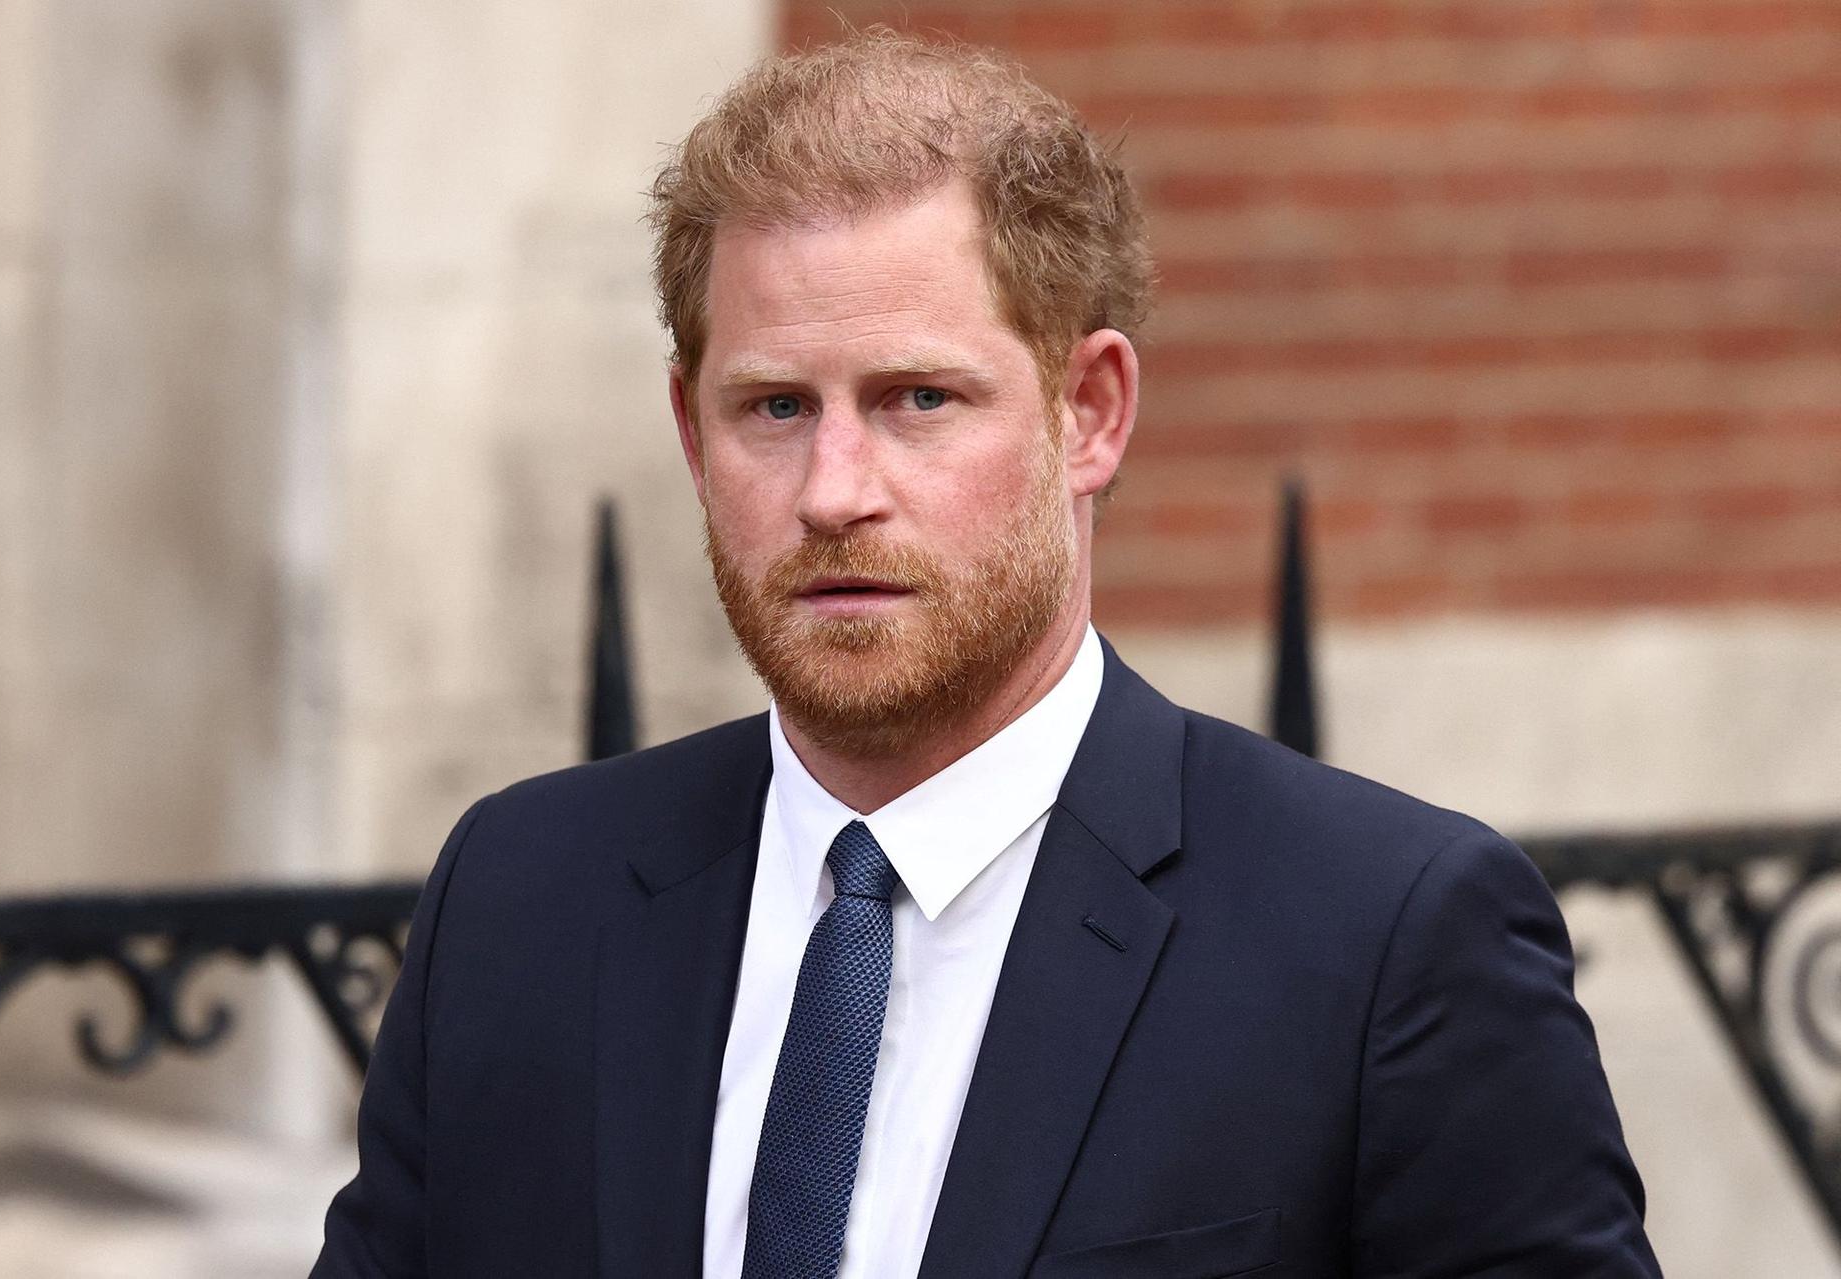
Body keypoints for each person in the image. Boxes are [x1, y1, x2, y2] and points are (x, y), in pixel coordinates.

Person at [313, 31, 1659, 1279]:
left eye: (919, 401)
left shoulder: (1383, 942)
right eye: (774, 406)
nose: (836, 488)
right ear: (690, 430)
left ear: (1091, 414)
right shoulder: (522, 902)